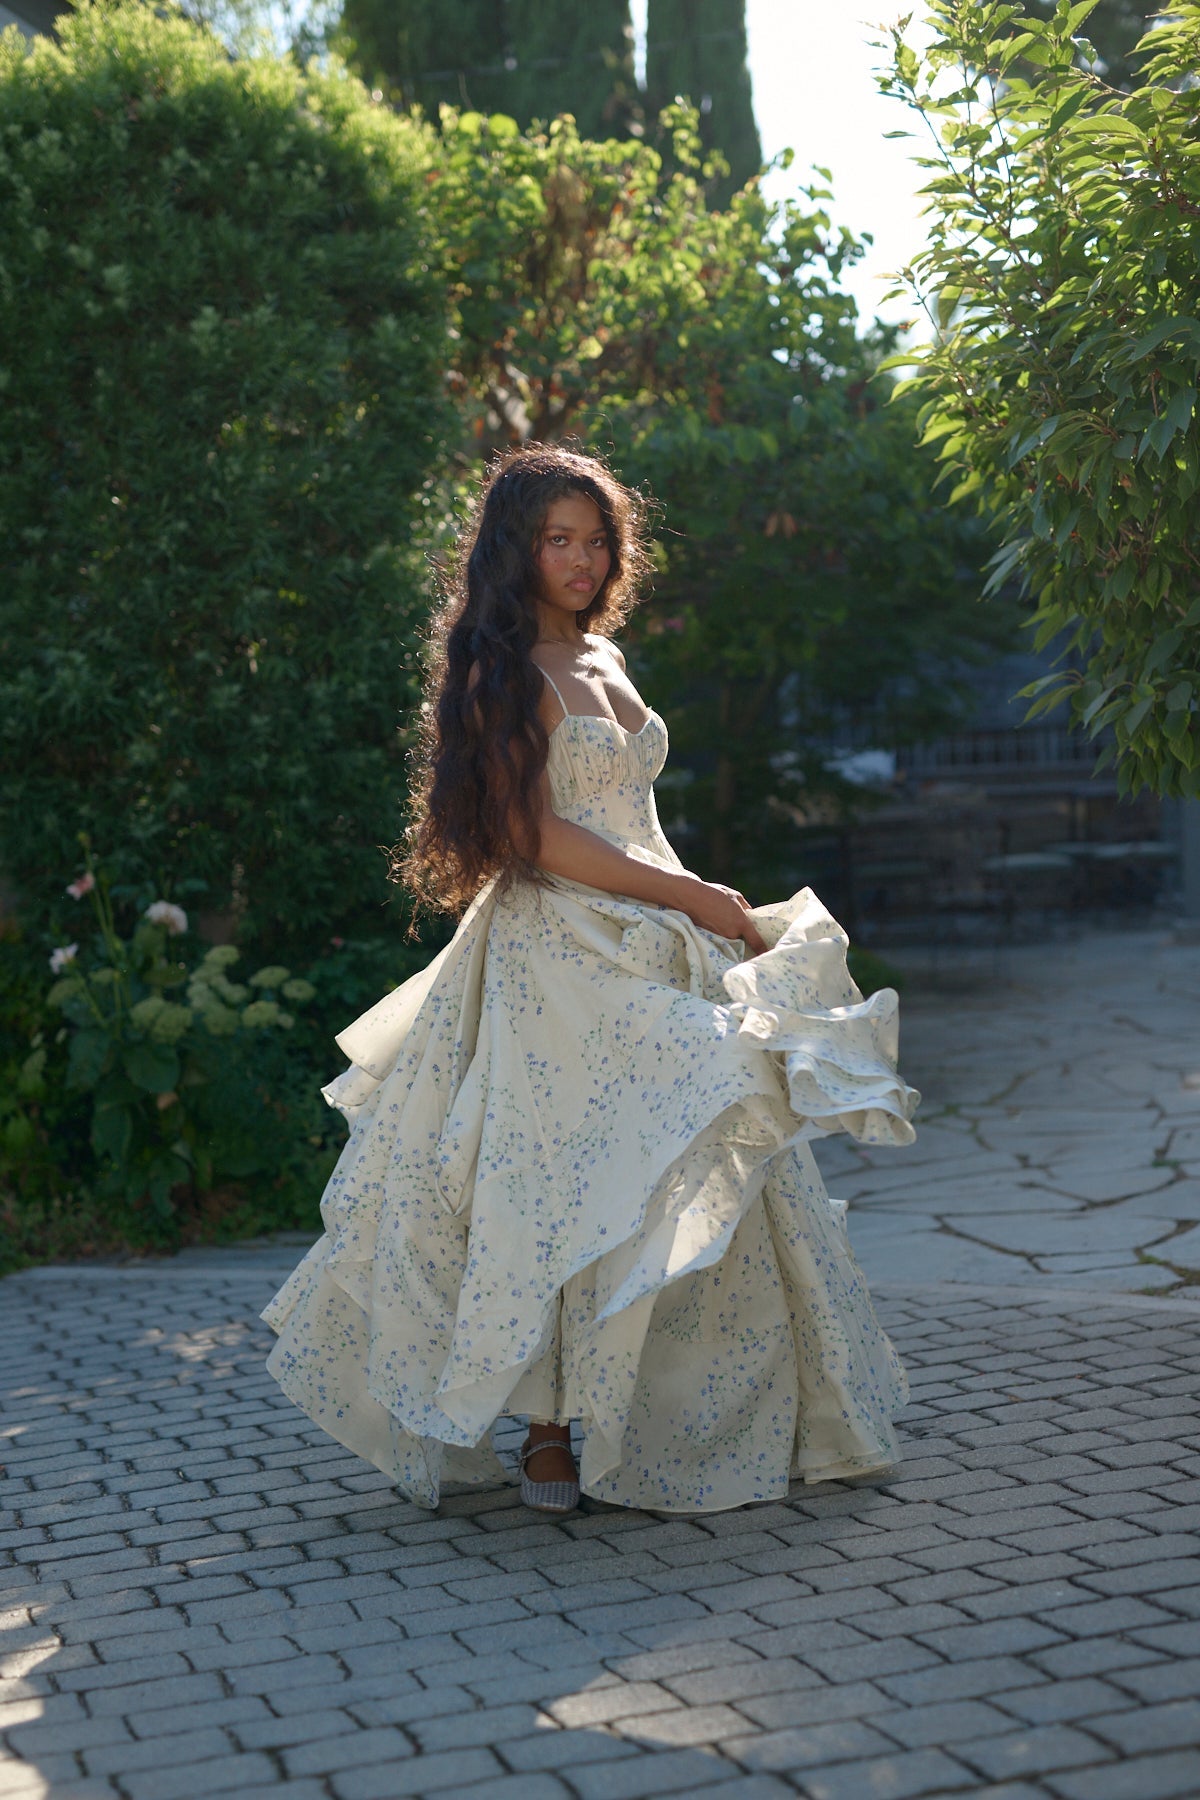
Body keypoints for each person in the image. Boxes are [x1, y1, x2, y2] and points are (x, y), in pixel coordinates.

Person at [263, 444, 918, 1516]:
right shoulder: (500, 668)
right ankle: (548, 1431)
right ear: (512, 551)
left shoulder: (605, 653)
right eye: (556, 540)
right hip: (557, 953)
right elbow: (532, 833)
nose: (581, 558)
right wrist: (691, 896)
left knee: (673, 1154)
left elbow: (631, 813)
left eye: (596, 538)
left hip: (653, 933)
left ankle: (707, 1409)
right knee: (552, 1177)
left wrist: (700, 912)